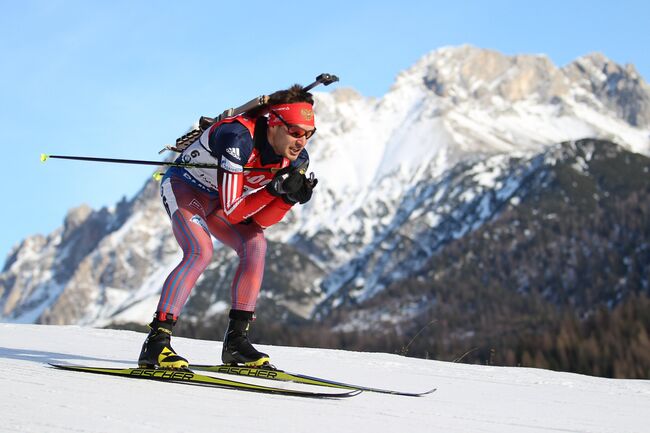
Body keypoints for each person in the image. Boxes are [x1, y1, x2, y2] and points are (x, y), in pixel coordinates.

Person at [138, 84, 318, 370]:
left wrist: (287, 198)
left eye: (309, 134)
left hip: (220, 201)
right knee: (200, 250)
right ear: (274, 123)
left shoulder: (297, 158)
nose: (302, 142)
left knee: (255, 244)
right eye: (295, 132)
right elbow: (234, 209)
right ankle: (156, 343)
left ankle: (236, 343)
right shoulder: (238, 137)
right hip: (187, 188)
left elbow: (259, 221)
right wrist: (274, 190)